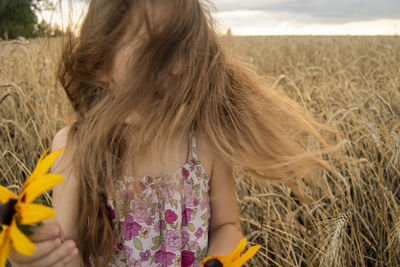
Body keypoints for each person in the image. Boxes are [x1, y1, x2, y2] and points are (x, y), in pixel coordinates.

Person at [8, 0, 336, 266]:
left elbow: (226, 226)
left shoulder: (205, 143)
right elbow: (67, 249)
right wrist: (40, 255)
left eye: (184, 49)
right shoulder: (74, 148)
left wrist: (219, 262)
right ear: (99, 61)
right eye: (156, 50)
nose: (177, 67)